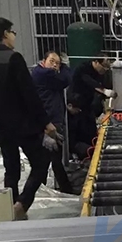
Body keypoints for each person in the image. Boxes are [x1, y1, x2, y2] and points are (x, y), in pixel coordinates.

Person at [0, 17, 57, 220]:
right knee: (41, 162)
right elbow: (29, 94)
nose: (14, 36)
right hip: (23, 123)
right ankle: (22, 204)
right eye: (13, 32)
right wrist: (45, 122)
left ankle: (8, 209)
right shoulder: (13, 58)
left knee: (11, 169)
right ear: (5, 34)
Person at [32, 51, 74, 194]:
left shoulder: (42, 73)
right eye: (52, 61)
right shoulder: (43, 74)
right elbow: (67, 79)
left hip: (51, 120)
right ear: (43, 60)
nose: (55, 65)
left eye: (58, 63)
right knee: (49, 159)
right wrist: (65, 67)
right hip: (49, 122)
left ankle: (44, 189)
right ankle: (41, 189)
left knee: (51, 159)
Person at [66, 93, 98, 161]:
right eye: (77, 109)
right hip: (75, 144)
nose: (79, 111)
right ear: (69, 106)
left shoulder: (77, 114)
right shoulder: (66, 119)